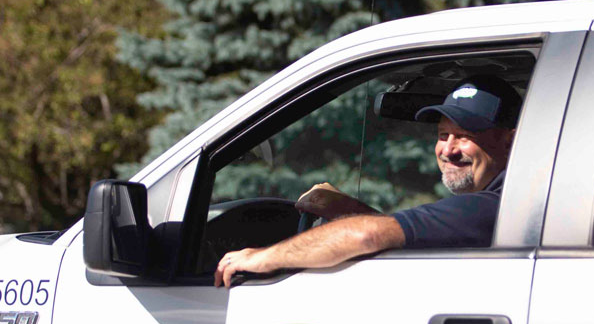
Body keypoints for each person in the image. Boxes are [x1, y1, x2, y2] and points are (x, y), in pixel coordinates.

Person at [214, 75, 522, 287]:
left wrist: (263, 257)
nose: (448, 150)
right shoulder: (505, 204)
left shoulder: (493, 207)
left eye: (465, 137)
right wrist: (347, 208)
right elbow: (405, 238)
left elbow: (368, 237)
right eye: (443, 135)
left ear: (510, 142)